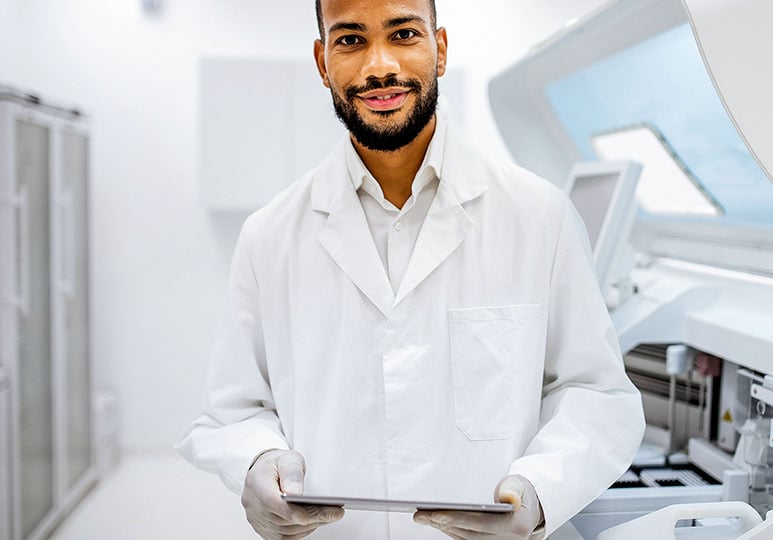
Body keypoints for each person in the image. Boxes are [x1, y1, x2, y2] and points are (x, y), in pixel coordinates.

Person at [175, 0, 645, 538]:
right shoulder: (269, 235)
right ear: (323, 62)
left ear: (439, 49)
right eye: (350, 40)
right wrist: (257, 459)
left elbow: (595, 393)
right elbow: (235, 407)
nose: (380, 65)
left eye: (403, 34)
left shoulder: (540, 217)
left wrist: (540, 492)